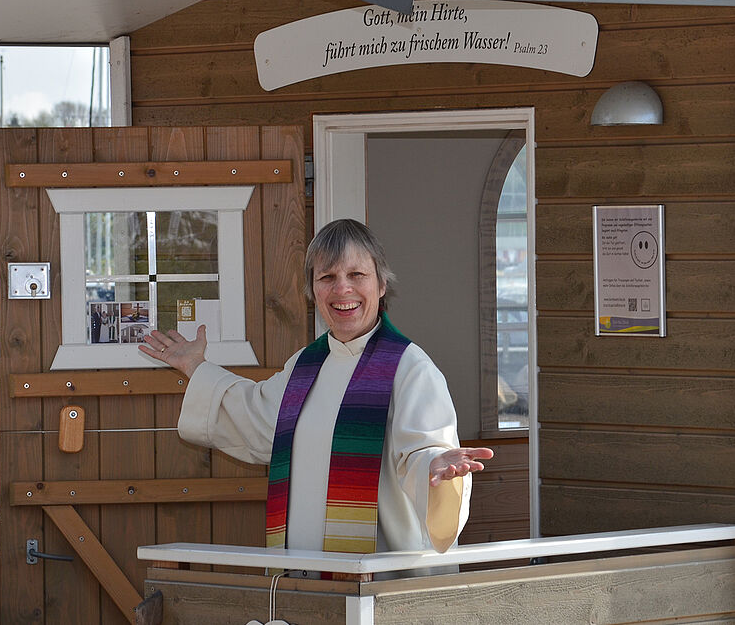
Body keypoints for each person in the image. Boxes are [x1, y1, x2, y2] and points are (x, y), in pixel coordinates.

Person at [140, 219, 492, 556]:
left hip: (375, 577)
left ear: (382, 284)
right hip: (307, 571)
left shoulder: (410, 369)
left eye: (357, 275)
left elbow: (421, 451)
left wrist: (435, 465)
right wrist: (194, 366)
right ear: (313, 291)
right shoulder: (305, 366)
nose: (342, 289)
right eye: (327, 277)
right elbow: (258, 417)